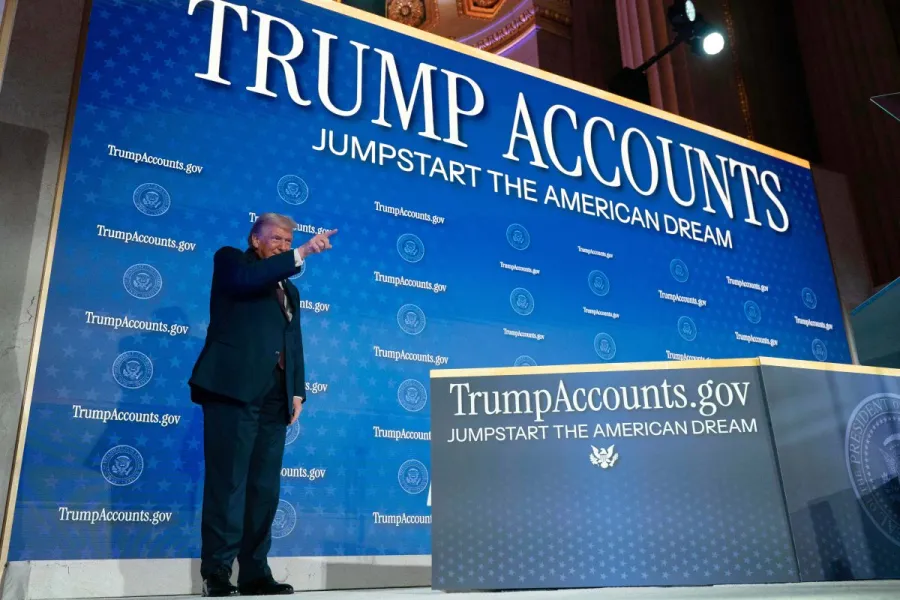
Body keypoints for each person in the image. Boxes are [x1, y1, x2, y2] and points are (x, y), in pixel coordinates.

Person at [189, 213, 336, 596]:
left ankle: (255, 573)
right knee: (229, 482)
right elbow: (247, 281)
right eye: (277, 239)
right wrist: (302, 253)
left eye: (289, 241)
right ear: (256, 239)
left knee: (264, 488)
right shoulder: (231, 261)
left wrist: (297, 389)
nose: (284, 246)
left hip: (275, 395)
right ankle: (217, 573)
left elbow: (292, 340)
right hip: (233, 388)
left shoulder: (290, 290)